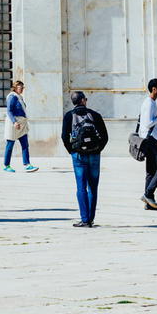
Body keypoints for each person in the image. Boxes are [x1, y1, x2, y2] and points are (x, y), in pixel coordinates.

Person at [61, 89, 108, 227]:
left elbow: (64, 137)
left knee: (81, 187)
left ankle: (84, 219)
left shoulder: (69, 116)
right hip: (94, 155)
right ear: (82, 100)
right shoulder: (95, 115)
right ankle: (91, 218)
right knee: (93, 188)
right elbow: (105, 136)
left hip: (78, 156)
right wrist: (98, 150)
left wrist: (72, 151)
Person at [137, 78, 157, 210]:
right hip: (150, 141)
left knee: (151, 171)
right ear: (154, 89)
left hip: (150, 139)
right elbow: (148, 123)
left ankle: (149, 202)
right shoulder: (150, 103)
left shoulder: (149, 102)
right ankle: (148, 194)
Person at [4, 80, 38, 172]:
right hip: (14, 123)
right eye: (20, 87)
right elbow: (9, 111)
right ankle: (6, 165)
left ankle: (27, 164)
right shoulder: (12, 97)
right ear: (15, 87)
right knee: (10, 145)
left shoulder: (19, 97)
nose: (22, 89)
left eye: (23, 87)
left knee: (25, 145)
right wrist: (14, 122)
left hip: (22, 123)